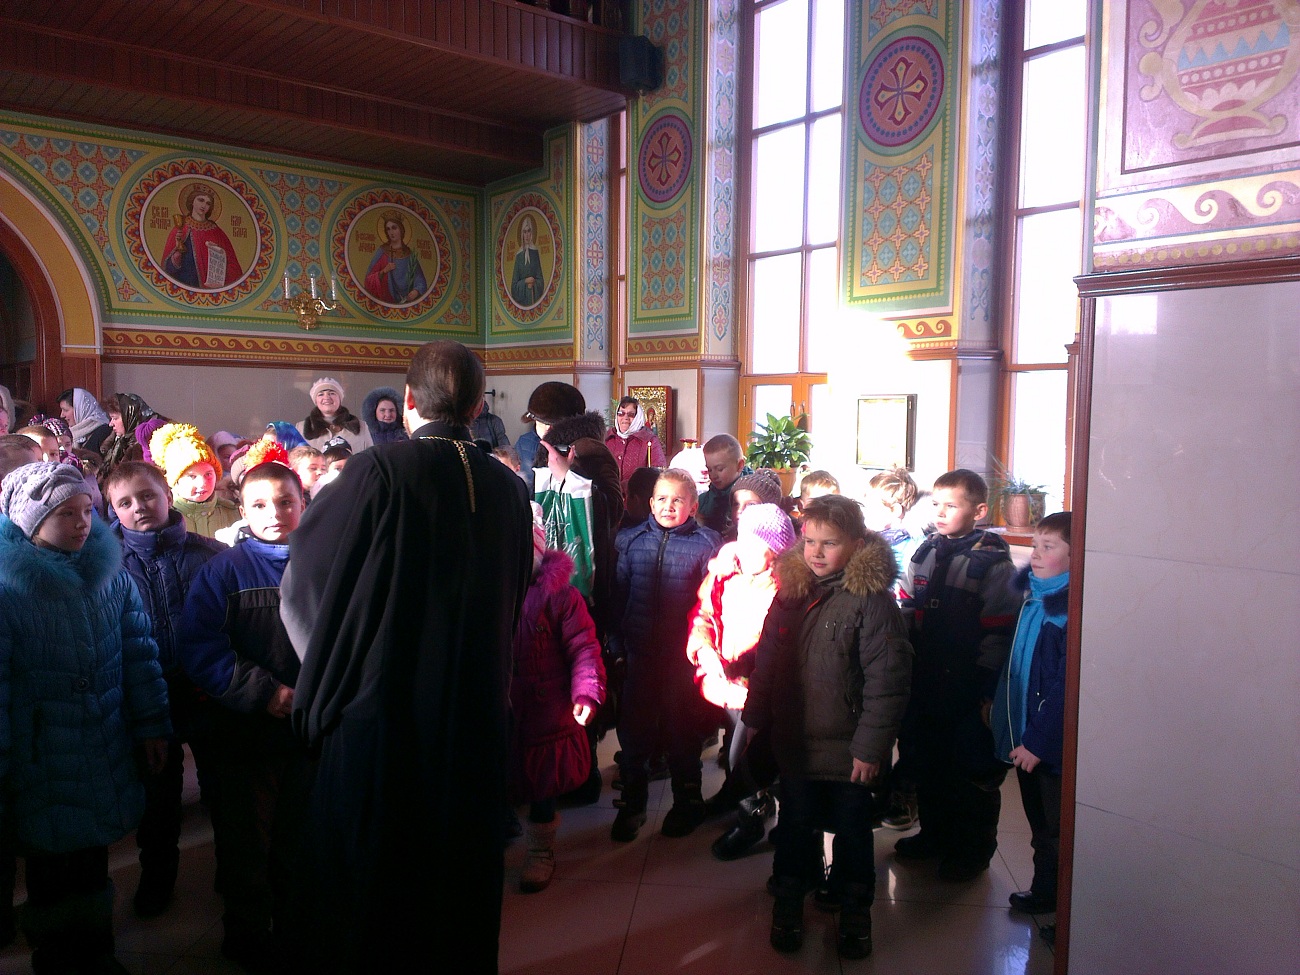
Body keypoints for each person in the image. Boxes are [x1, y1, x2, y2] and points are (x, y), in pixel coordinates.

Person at [280, 340, 533, 974]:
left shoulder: (379, 470)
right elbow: (515, 594)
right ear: (475, 407)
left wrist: (327, 673)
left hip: (384, 706)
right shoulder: (508, 487)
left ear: (410, 399)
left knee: (378, 871)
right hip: (474, 702)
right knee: (457, 865)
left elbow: (306, 578)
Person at [0, 462, 171, 973]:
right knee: (52, 870)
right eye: (65, 514)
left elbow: (139, 653)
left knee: (93, 858)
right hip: (41, 758)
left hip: (101, 743)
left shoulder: (110, 576)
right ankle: (57, 958)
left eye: (86, 511)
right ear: (31, 522)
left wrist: (151, 723)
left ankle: (97, 952)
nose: (81, 523)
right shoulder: (9, 590)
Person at [744, 495, 912, 959]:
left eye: (830, 543)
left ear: (857, 544)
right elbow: (767, 662)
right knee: (796, 825)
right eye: (810, 541)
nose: (816, 552)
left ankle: (854, 906)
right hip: (797, 743)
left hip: (849, 749)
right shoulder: (790, 592)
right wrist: (755, 717)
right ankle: (791, 897)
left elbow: (888, 682)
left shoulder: (872, 602)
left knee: (853, 831)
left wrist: (871, 748)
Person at [179, 458, 311, 970]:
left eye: (285, 501)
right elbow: (202, 648)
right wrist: (266, 692)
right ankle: (248, 935)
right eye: (259, 504)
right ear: (242, 510)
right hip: (246, 732)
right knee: (247, 841)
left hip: (310, 729)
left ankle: (297, 927)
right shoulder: (223, 571)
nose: (274, 513)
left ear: (303, 503)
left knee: (301, 835)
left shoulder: (327, 564)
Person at [104, 460, 226, 918]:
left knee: (222, 789)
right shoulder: (108, 566)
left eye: (147, 495)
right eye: (125, 502)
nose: (139, 507)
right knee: (157, 800)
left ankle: (233, 868)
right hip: (146, 697)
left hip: (207, 693)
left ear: (167, 496)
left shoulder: (211, 554)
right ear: (113, 511)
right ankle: (157, 877)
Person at [895, 469, 1019, 882]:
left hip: (968, 684)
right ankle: (934, 834)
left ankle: (972, 852)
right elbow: (907, 604)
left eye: (952, 505)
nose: (941, 512)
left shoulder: (992, 564)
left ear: (979, 511)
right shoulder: (925, 552)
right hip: (926, 677)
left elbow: (1000, 630)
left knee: (969, 770)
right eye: (936, 504)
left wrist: (984, 686)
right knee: (928, 761)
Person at [610, 469, 721, 842]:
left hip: (681, 660)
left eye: (678, 500)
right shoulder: (631, 541)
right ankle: (633, 804)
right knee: (634, 734)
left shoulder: (707, 545)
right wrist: (617, 646)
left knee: (681, 732)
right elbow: (618, 597)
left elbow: (712, 605)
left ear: (693, 506)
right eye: (661, 498)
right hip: (639, 655)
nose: (668, 506)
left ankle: (687, 802)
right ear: (650, 502)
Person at [686, 502, 796, 860]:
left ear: (776, 552)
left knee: (748, 756)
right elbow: (704, 615)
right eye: (743, 540)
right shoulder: (724, 573)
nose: (746, 551)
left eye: (757, 546)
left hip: (760, 689)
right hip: (727, 682)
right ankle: (736, 797)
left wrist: (754, 673)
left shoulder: (785, 588)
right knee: (736, 749)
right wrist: (704, 650)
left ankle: (754, 819)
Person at [509, 506, 606, 893]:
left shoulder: (560, 596)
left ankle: (540, 849)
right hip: (506, 706)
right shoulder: (490, 590)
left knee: (544, 785)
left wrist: (586, 691)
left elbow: (584, 647)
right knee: (506, 770)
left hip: (547, 708)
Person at [992, 511, 1071, 919]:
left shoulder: (1069, 612)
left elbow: (1065, 690)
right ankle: (1046, 891)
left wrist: (1038, 742)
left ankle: (1057, 902)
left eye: (1048, 547)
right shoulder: (1033, 599)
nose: (1035, 554)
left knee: (1055, 830)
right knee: (1038, 824)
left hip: (1047, 748)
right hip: (1025, 737)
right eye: (1035, 545)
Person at [151, 422, 241, 541]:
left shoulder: (233, 513)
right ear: (175, 481)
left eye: (208, 474)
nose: (202, 483)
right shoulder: (164, 518)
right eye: (192, 476)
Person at [161, 183, 242, 289]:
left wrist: (218, 254)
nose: (204, 205)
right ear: (192, 201)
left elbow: (232, 264)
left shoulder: (216, 231)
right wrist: (177, 254)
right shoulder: (180, 228)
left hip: (210, 288)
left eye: (208, 203)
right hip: (185, 285)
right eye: (200, 200)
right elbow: (167, 270)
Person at [363, 210, 427, 304]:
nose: (391, 232)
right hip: (386, 301)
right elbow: (368, 280)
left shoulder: (409, 254)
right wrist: (384, 271)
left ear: (401, 229)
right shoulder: (382, 251)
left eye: (394, 228)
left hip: (406, 302)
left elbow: (420, 279)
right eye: (388, 229)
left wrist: (416, 291)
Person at [604, 396, 667, 491]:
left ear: (638, 417)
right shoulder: (607, 438)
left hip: (637, 496)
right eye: (621, 413)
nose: (625, 418)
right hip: (608, 496)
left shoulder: (649, 440)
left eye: (631, 414)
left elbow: (659, 474)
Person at [296, 378, 373, 453]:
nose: (326, 397)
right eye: (321, 394)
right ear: (316, 401)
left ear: (340, 398)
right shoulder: (301, 428)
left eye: (332, 393)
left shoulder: (362, 427)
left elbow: (370, 457)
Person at [697, 434, 750, 538]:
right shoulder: (705, 499)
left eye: (719, 469)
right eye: (709, 469)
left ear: (739, 465)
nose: (713, 475)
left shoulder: (750, 497)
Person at [99, 393, 160, 474]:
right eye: (111, 419)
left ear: (130, 417)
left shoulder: (150, 442)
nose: (110, 424)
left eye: (115, 418)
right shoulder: (120, 440)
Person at [57, 388, 112, 454]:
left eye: (65, 410)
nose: (62, 415)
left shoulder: (104, 432)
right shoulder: (69, 434)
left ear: (80, 410)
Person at [510, 214, 545, 307]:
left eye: (529, 231)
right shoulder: (519, 256)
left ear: (532, 233)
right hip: (523, 301)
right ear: (522, 234)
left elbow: (541, 281)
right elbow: (513, 287)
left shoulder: (535, 253)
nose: (527, 235)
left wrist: (533, 283)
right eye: (524, 232)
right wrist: (525, 282)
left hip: (534, 298)